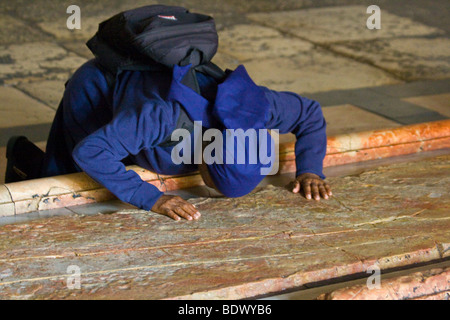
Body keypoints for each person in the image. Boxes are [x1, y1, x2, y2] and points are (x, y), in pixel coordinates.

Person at [5, 6, 332, 221]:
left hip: (148, 97)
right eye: (212, 185)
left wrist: (311, 171)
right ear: (206, 158)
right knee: (71, 178)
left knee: (131, 152)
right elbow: (92, 151)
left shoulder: (259, 106)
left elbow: (310, 115)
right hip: (99, 88)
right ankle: (21, 158)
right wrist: (151, 198)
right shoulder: (165, 117)